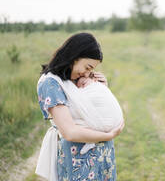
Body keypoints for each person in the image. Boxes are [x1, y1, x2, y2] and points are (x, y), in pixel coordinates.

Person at [36, 32, 125, 181]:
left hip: (102, 156)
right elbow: (70, 132)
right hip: (79, 159)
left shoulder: (77, 79)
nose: (87, 73)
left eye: (91, 70)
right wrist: (108, 136)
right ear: (74, 56)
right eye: (87, 67)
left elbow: (90, 110)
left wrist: (100, 89)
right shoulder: (50, 83)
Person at [75, 76, 124, 155]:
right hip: (81, 141)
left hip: (104, 141)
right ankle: (91, 141)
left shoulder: (95, 86)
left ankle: (91, 141)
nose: (81, 87)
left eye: (83, 84)